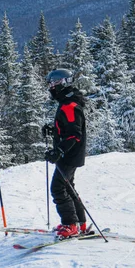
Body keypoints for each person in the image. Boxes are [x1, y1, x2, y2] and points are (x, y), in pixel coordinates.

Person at [42, 69, 87, 239]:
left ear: (63, 83)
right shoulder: (67, 102)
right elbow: (67, 128)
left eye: (53, 83)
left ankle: (71, 224)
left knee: (58, 188)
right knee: (68, 187)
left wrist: (59, 150)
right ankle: (79, 223)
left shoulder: (69, 105)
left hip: (69, 156)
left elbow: (74, 134)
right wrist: (53, 130)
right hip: (71, 155)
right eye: (50, 84)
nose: (51, 87)